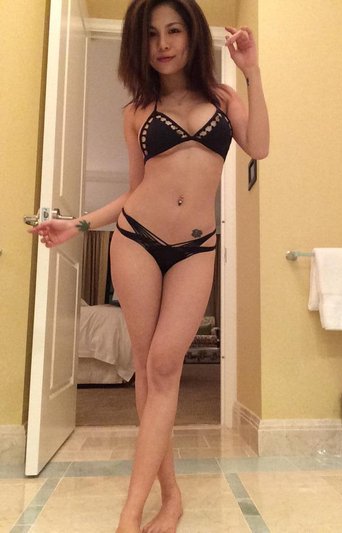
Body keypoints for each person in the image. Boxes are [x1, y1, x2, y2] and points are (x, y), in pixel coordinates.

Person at [30, 0, 269, 531]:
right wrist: (79, 224)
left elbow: (260, 146)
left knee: (165, 364)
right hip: (136, 239)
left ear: (192, 35)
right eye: (152, 34)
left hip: (196, 249)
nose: (163, 44)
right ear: (139, 44)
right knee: (149, 369)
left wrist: (251, 71)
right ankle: (142, 509)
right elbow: (135, 191)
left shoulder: (224, 99)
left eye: (174, 31)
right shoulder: (136, 112)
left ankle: (160, 503)